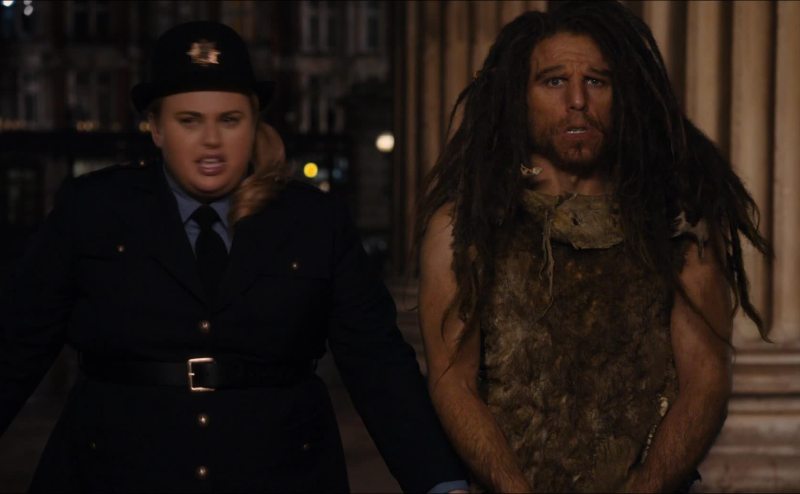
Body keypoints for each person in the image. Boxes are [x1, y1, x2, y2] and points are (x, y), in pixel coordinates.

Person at [0, 21, 467, 492]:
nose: (211, 140)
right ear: (156, 128)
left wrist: (441, 484)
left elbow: (377, 361)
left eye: (229, 120)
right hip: (116, 473)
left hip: (280, 475)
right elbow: (18, 343)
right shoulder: (93, 210)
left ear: (254, 123)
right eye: (189, 121)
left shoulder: (313, 221)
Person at [416, 2, 770, 492]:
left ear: (624, 94)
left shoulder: (674, 223)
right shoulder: (467, 226)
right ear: (518, 96)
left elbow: (705, 380)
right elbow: (452, 380)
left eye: (597, 81)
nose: (578, 100)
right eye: (554, 81)